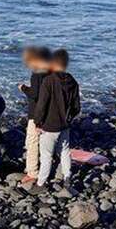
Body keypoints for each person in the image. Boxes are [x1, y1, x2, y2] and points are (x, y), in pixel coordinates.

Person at [33, 49, 81, 189]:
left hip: (49, 126)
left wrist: (38, 122)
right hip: (64, 125)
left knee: (46, 156)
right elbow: (76, 107)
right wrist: (69, 118)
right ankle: (67, 177)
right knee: (65, 152)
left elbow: (41, 105)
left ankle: (41, 183)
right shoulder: (73, 81)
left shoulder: (48, 81)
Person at [18, 47, 52, 183]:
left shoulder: (37, 74)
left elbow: (36, 94)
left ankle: (32, 172)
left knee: (32, 142)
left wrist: (23, 88)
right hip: (49, 112)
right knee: (46, 142)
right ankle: (46, 168)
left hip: (36, 113)